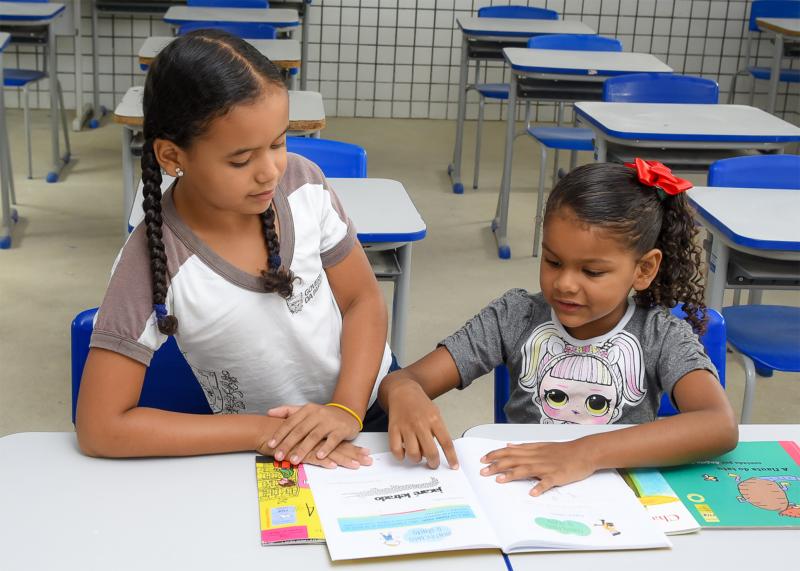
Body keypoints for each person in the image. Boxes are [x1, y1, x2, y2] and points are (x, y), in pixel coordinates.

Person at [76, 30, 392, 468]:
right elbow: (100, 426)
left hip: (367, 408)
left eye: (279, 143)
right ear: (172, 157)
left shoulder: (304, 185)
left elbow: (363, 300)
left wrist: (346, 409)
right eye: (241, 160)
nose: (269, 172)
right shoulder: (154, 259)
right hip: (266, 446)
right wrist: (265, 431)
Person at [379, 159, 738, 495]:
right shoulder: (515, 316)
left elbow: (718, 425)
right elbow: (403, 380)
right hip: (523, 491)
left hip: (617, 495)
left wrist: (585, 453)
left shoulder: (659, 335)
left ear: (643, 269)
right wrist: (405, 393)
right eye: (553, 261)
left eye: (592, 272)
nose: (565, 284)